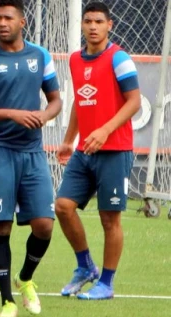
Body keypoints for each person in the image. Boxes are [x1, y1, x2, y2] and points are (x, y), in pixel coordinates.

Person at [0, 0, 62, 317]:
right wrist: (11, 114)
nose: (1, 22)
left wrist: (44, 115)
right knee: (1, 226)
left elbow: (56, 100)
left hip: (32, 152)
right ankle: (7, 301)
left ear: (22, 22)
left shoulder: (40, 55)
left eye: (8, 17)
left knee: (45, 226)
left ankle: (26, 278)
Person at [55, 2, 140, 300]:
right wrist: (68, 139)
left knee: (109, 219)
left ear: (109, 25)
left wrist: (105, 130)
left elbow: (134, 102)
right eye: (88, 21)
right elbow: (80, 100)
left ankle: (106, 282)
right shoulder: (76, 60)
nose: (92, 26)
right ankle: (85, 267)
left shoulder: (120, 59)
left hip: (115, 150)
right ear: (82, 25)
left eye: (98, 22)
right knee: (63, 206)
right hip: (84, 151)